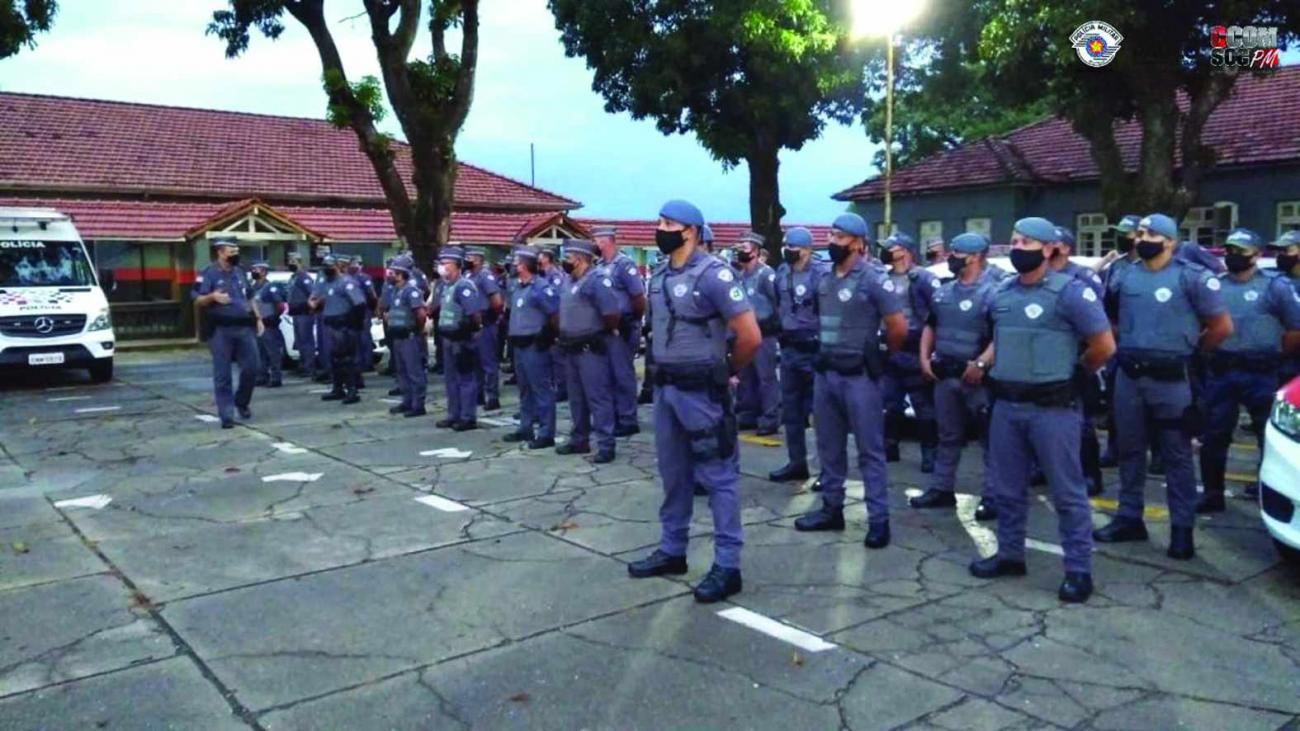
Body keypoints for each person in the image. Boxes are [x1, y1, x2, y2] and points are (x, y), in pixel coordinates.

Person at [970, 217, 1115, 603]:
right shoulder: (1002, 293)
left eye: (1028, 242)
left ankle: (1078, 570)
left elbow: (1103, 345)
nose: (1018, 248)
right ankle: (1010, 555)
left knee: (1067, 492)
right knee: (1008, 488)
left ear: (1049, 249)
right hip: (1007, 406)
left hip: (1052, 408)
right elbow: (998, 340)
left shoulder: (1070, 293)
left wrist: (1076, 374)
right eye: (1015, 240)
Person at [626, 199, 760, 603]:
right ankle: (672, 550)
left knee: (718, 478)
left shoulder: (715, 274)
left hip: (703, 392)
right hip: (667, 389)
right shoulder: (659, 276)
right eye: (659, 222)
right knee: (674, 474)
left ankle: (727, 565)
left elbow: (749, 335)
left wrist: (727, 370)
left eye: (668, 223)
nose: (660, 229)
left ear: (691, 231)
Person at [1094, 213, 1232, 561]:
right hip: (1130, 376)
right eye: (1140, 233)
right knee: (1130, 450)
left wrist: (1190, 352)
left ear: (1171, 241)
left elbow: (1221, 327)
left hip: (1173, 379)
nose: (1142, 239)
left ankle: (1182, 529)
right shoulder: (1122, 275)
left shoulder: (1192, 276)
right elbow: (1109, 319)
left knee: (1176, 454)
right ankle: (1129, 517)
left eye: (1151, 234)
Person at [793, 214, 907, 549]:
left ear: (858, 243)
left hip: (859, 377)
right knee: (828, 447)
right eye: (831, 235)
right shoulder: (824, 278)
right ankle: (831, 509)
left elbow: (897, 327)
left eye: (840, 237)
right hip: (827, 374)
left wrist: (880, 356)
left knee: (870, 450)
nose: (833, 242)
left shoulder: (873, 278)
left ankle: (878, 520)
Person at [1197, 228, 1300, 511]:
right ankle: (1212, 494)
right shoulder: (1215, 285)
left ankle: (1269, 491)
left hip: (1262, 371)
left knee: (1268, 437)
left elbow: (1295, 329)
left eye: (1240, 251)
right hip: (1222, 370)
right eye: (1230, 250)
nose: (1233, 256)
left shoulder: (1275, 286)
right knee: (1215, 435)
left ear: (1256, 255)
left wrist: (1275, 353)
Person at [911, 233, 1001, 518]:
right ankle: (941, 488)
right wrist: (924, 358)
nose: (951, 258)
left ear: (975, 257)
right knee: (947, 435)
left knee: (991, 440)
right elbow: (930, 326)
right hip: (945, 375)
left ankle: (993, 496)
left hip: (978, 379)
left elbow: (1002, 335)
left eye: (957, 253)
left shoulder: (994, 292)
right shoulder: (944, 292)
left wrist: (982, 363)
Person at [768, 226, 827, 482]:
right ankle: (796, 463)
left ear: (806, 249)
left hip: (814, 349)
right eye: (786, 246)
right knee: (791, 411)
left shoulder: (821, 274)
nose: (787, 251)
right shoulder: (782, 272)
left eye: (792, 247)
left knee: (821, 414)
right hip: (790, 349)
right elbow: (778, 305)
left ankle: (826, 470)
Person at [878, 232, 940, 472]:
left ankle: (929, 453)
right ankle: (890, 447)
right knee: (890, 403)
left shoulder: (922, 278)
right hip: (889, 348)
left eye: (891, 248)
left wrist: (929, 351)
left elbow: (936, 314)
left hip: (915, 347)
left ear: (904, 251)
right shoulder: (883, 278)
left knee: (923, 405)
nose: (886, 252)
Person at [557, 239, 621, 463]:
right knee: (576, 398)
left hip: (591, 348)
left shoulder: (597, 280)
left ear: (580, 258)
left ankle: (606, 445)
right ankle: (579, 439)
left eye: (568, 257)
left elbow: (611, 313)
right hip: (570, 346)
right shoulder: (567, 281)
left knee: (598, 397)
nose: (564, 261)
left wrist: (602, 333)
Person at [192, 236, 262, 428]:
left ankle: (242, 401)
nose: (235, 255)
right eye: (232, 252)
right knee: (223, 374)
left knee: (252, 368)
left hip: (244, 327)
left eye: (236, 251)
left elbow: (250, 296)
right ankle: (226, 414)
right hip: (220, 329)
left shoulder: (240, 272)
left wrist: (258, 318)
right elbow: (197, 299)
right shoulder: (208, 273)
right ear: (220, 252)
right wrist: (212, 296)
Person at [592, 226, 647, 436]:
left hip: (623, 326)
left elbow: (638, 297)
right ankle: (613, 415)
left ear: (606, 241)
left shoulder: (624, 264)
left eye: (596, 240)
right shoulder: (600, 266)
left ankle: (627, 418)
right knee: (607, 374)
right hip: (606, 326)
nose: (594, 244)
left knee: (622, 374)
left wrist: (632, 320)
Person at [504, 246, 561, 449]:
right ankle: (525, 427)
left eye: (516, 263)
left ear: (525, 266)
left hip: (535, 345)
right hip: (519, 345)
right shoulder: (519, 287)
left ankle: (546, 433)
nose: (513, 266)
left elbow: (555, 314)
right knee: (525, 389)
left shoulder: (541, 288)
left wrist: (549, 335)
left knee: (542, 389)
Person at [732, 231, 781, 435]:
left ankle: (770, 417)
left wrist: (775, 326)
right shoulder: (741, 276)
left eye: (744, 247)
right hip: (746, 333)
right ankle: (748, 414)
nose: (740, 251)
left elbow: (777, 302)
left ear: (755, 250)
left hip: (764, 333)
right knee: (746, 376)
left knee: (765, 377)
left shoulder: (766, 275)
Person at [435, 246, 484, 431]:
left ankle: (467, 417)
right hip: (448, 338)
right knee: (451, 380)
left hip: (461, 339)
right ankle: (453, 414)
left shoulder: (464, 286)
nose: (441, 267)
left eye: (445, 263)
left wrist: (468, 332)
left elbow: (474, 315)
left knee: (465, 379)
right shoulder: (447, 286)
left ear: (455, 265)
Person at [311, 254, 367, 405]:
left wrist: (352, 323)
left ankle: (352, 390)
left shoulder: (346, 282)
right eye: (325, 267)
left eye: (330, 266)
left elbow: (360, 304)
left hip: (344, 326)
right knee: (334, 359)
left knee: (346, 360)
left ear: (338, 266)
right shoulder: (327, 283)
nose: (327, 269)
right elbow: (322, 301)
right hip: (331, 325)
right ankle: (338, 388)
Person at [385, 260, 429, 417]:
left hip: (410, 336)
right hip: (398, 337)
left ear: (400, 275)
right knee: (402, 371)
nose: (389, 275)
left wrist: (417, 330)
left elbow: (421, 314)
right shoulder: (396, 291)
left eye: (392, 273)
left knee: (414, 371)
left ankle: (418, 405)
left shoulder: (411, 291)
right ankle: (407, 401)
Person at [465, 247, 504, 411]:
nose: (466, 260)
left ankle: (492, 397)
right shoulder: (468, 276)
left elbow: (497, 301)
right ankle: (478, 394)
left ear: (477, 260)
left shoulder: (485, 276)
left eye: (469, 257)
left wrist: (491, 318)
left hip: (485, 323)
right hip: (471, 324)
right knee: (475, 363)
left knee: (488, 363)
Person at [1267, 230, 1300, 384]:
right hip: (1277, 362)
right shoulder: (1273, 281)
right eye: (1278, 251)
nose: (1280, 255)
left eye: (1286, 250)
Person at [539, 247, 569, 402]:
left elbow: (555, 299)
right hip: (544, 321)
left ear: (546, 258)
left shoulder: (555, 276)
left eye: (540, 256)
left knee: (557, 356)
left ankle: (561, 387)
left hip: (555, 319)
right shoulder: (542, 275)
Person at [249, 261, 286, 388]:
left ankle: (276, 377)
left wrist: (274, 317)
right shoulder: (253, 287)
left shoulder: (269, 287)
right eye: (253, 269)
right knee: (259, 352)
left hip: (268, 324)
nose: (254, 271)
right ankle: (262, 376)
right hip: (256, 324)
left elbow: (279, 305)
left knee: (273, 352)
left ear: (264, 272)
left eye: (257, 269)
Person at [285, 251, 319, 379]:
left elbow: (312, 293)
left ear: (299, 262)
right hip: (295, 313)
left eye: (292, 261)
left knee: (306, 341)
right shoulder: (293, 277)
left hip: (304, 313)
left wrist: (312, 307)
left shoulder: (304, 277)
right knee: (300, 341)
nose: (290, 264)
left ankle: (309, 367)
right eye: (289, 261)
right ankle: (303, 365)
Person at [348, 255, 379, 377]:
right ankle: (358, 362)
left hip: (364, 310)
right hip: (351, 311)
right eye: (353, 263)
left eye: (357, 263)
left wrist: (373, 308)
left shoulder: (364, 277)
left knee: (364, 337)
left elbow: (372, 295)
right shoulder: (347, 277)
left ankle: (367, 363)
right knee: (355, 338)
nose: (355, 266)